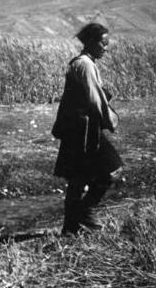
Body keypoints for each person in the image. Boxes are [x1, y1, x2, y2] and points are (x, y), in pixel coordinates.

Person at [51, 22, 123, 235]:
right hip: (84, 131)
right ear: (91, 42)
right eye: (103, 43)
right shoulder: (85, 65)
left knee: (78, 178)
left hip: (78, 129)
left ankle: (70, 227)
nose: (106, 48)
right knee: (113, 170)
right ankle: (86, 212)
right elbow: (95, 100)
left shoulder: (85, 63)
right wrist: (110, 119)